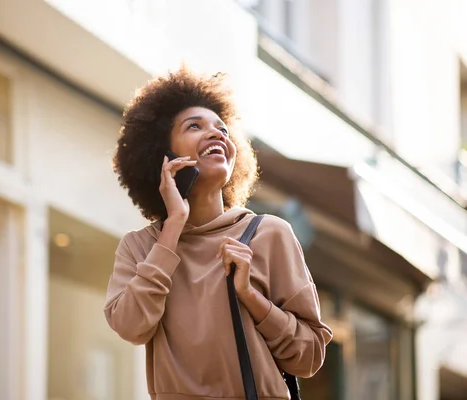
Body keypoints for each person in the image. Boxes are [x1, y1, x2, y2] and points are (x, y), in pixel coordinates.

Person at [105, 67, 333, 400]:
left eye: (222, 129)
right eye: (194, 126)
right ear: (163, 154)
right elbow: (130, 326)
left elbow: (309, 357)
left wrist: (252, 298)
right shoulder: (140, 247)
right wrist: (173, 227)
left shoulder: (268, 234)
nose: (216, 134)